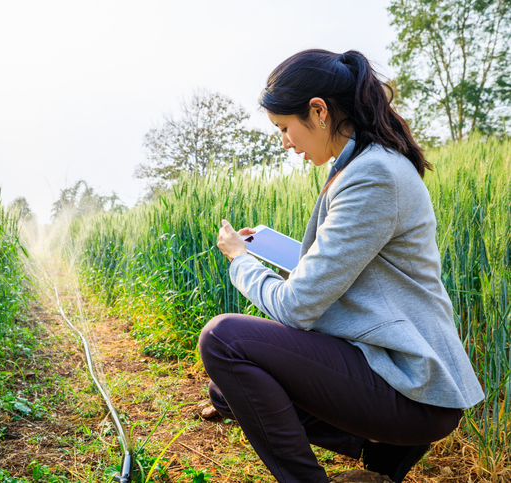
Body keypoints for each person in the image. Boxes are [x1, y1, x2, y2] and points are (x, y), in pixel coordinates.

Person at [199, 49, 484, 483]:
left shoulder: (372, 175)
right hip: (395, 378)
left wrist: (241, 261)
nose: (285, 142)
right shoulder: (367, 165)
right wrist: (271, 248)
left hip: (414, 390)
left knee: (224, 340)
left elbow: (297, 307)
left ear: (318, 112)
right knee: (226, 391)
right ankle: (378, 457)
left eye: (284, 128)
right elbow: (349, 269)